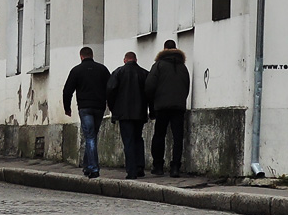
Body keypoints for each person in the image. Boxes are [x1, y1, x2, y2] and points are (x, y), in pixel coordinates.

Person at [145, 39, 191, 176]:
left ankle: (158, 165)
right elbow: (186, 86)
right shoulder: (183, 67)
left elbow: (149, 86)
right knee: (178, 137)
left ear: (164, 50)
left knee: (159, 135)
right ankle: (175, 167)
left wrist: (151, 104)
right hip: (178, 106)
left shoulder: (158, 65)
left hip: (161, 106)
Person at [62, 46, 110, 178]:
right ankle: (87, 166)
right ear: (92, 55)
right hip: (99, 107)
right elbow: (110, 87)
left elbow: (67, 91)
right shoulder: (102, 69)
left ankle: (94, 168)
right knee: (92, 135)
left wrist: (67, 108)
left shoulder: (77, 70)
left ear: (81, 56)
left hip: (84, 107)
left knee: (89, 137)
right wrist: (109, 104)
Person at [106, 50, 149, 179]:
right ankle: (140, 166)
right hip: (140, 112)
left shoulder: (118, 73)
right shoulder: (144, 73)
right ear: (135, 60)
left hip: (124, 113)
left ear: (124, 60)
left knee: (128, 141)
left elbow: (110, 91)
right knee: (138, 138)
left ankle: (131, 170)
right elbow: (150, 92)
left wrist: (113, 109)